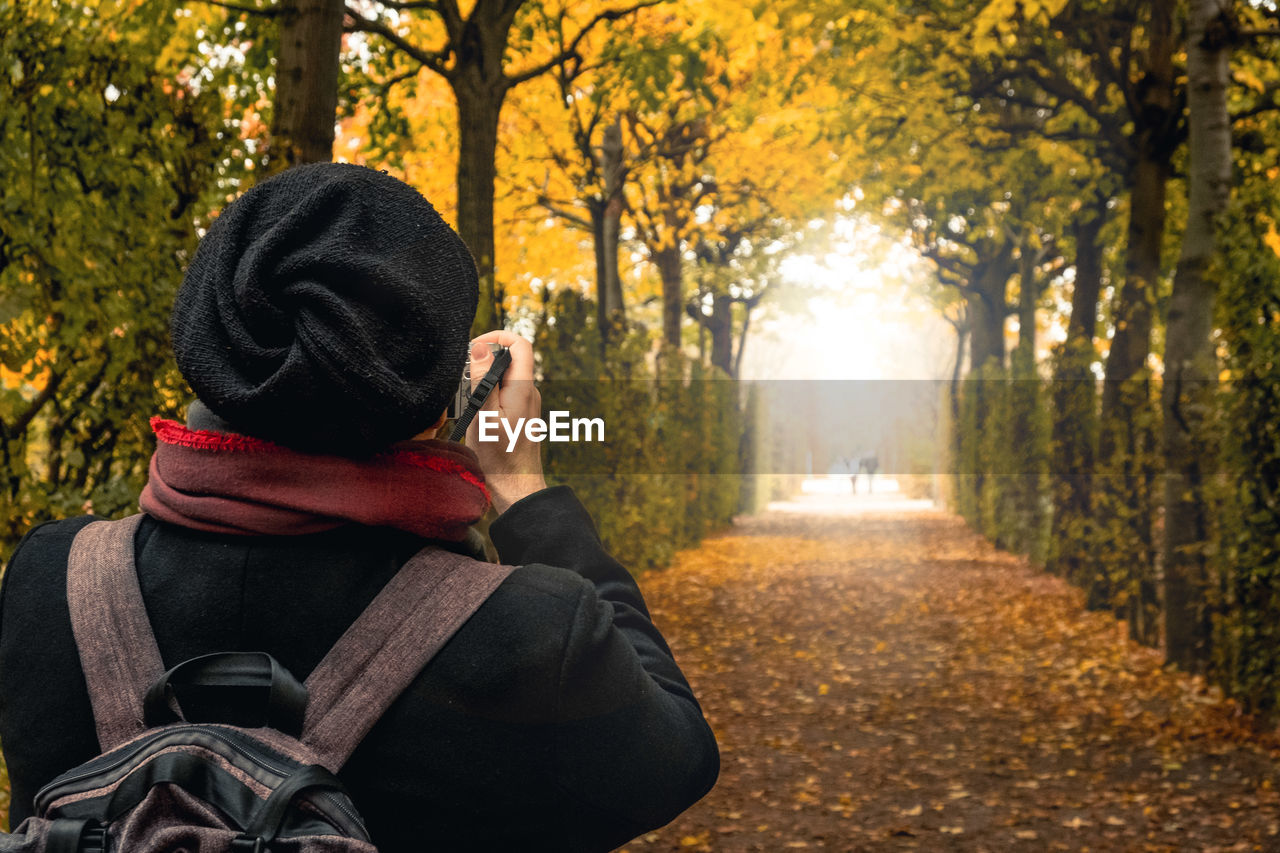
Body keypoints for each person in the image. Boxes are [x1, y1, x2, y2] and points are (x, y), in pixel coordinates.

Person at [0, 163, 719, 851]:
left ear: (208, 345)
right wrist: (526, 491)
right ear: (439, 401)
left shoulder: (49, 582)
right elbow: (680, 756)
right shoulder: (532, 636)